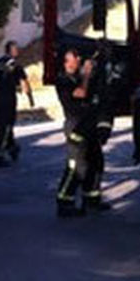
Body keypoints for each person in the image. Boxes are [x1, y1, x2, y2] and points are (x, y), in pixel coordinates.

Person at [53, 49, 108, 216]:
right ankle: (64, 201)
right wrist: (85, 75)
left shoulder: (77, 77)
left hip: (88, 125)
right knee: (76, 167)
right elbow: (80, 93)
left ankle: (91, 197)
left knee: (96, 161)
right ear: (66, 62)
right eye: (74, 57)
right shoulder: (63, 80)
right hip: (75, 126)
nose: (78, 59)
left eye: (78, 56)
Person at [0, 41, 34, 167]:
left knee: (3, 126)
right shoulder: (15, 66)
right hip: (9, 101)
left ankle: (12, 147)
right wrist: (30, 98)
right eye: (16, 49)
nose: (18, 51)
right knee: (5, 127)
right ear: (11, 51)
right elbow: (25, 83)